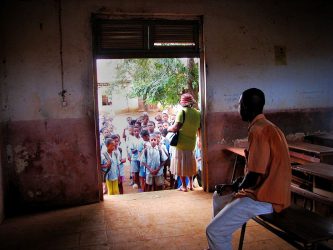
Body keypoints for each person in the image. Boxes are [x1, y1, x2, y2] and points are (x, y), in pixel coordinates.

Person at [206, 88, 291, 250]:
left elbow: (254, 175)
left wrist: (233, 186)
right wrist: (235, 185)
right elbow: (256, 170)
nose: (238, 108)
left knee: (213, 231)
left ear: (245, 107)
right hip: (266, 191)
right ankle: (217, 244)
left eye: (239, 105)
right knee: (219, 195)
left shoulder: (258, 130)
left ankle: (219, 237)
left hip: (267, 198)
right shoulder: (267, 126)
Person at [168, 93, 201, 192]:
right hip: (191, 143)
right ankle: (190, 185)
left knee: (180, 164)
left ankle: (183, 186)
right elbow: (199, 128)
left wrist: (168, 129)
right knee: (189, 163)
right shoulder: (198, 113)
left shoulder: (181, 112)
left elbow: (176, 127)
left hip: (180, 143)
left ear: (182, 103)